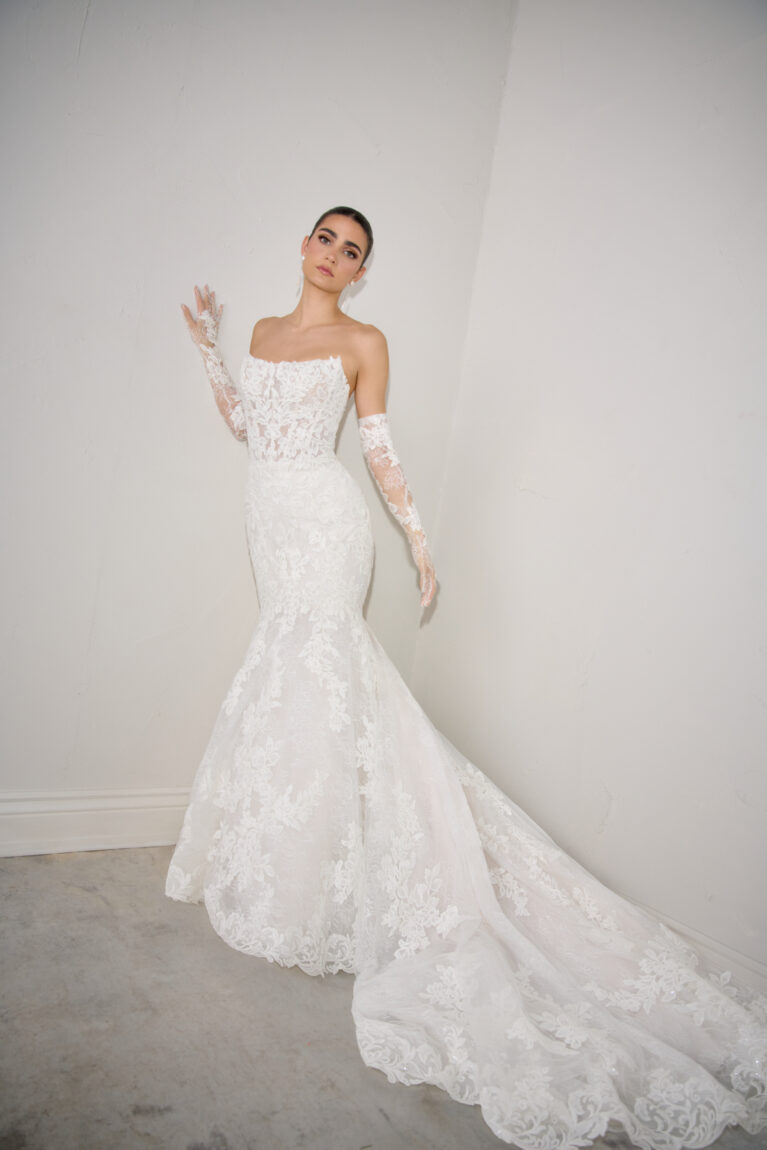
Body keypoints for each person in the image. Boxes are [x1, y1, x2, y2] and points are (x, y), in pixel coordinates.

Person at [167, 207, 766, 1149]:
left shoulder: (364, 341)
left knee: (320, 678)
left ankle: (329, 885)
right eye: (326, 239)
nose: (334, 256)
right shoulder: (263, 332)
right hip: (269, 520)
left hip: (325, 526)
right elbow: (251, 427)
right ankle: (292, 873)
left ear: (360, 273)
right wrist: (209, 349)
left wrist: (415, 537)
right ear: (303, 246)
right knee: (289, 685)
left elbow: (375, 448)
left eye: (352, 251)